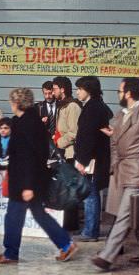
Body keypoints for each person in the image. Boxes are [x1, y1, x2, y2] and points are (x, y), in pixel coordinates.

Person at [0, 88, 78, 264]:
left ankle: (11, 252)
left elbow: (29, 157)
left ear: (17, 103)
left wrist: (28, 186)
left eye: (12, 101)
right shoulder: (28, 121)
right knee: (36, 214)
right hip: (29, 179)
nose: (11, 104)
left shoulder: (27, 124)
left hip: (26, 181)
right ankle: (65, 244)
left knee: (14, 216)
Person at [91, 78, 139, 271]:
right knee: (138, 213)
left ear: (129, 93)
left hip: (138, 171)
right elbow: (116, 141)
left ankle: (107, 255)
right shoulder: (121, 115)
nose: (118, 95)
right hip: (122, 171)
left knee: (124, 215)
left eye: (120, 91)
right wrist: (114, 166)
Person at [73, 76, 111, 242]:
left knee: (90, 194)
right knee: (92, 193)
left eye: (80, 89)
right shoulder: (97, 106)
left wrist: (82, 160)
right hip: (96, 158)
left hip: (92, 159)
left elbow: (88, 137)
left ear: (88, 90)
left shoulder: (92, 108)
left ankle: (90, 231)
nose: (77, 92)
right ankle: (90, 229)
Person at [52, 76, 82, 231]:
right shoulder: (62, 106)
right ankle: (66, 222)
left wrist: (59, 141)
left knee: (71, 189)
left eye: (55, 88)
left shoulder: (73, 107)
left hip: (71, 153)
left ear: (62, 89)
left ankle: (71, 224)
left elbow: (74, 132)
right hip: (63, 153)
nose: (53, 91)